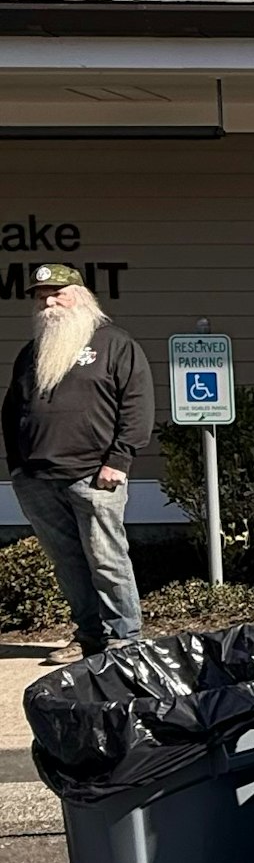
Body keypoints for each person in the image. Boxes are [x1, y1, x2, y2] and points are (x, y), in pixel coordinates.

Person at [3, 263, 154, 665]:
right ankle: (88, 637)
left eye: (58, 293)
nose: (49, 302)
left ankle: (125, 639)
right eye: (41, 296)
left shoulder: (114, 343)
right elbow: (13, 410)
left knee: (106, 558)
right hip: (37, 479)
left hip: (95, 474)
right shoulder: (32, 353)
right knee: (68, 564)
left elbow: (137, 404)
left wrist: (119, 460)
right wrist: (17, 467)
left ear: (82, 297)